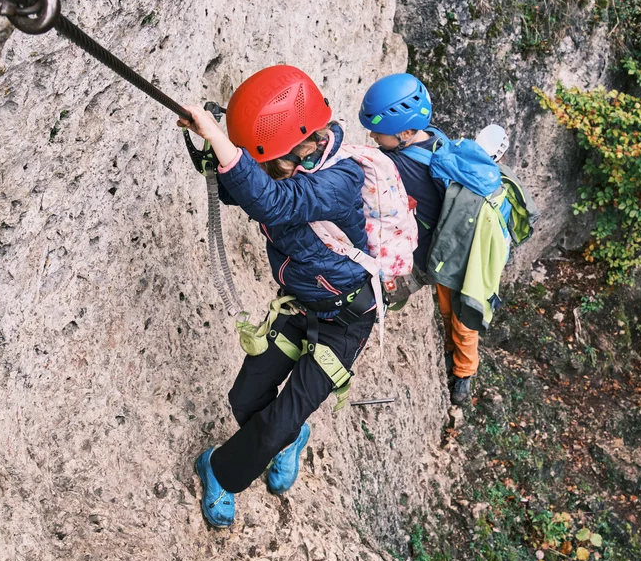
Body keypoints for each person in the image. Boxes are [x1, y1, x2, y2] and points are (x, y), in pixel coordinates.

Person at [182, 66, 377, 528]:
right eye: (264, 162)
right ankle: (289, 438)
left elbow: (274, 203)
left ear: (310, 143)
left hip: (346, 322)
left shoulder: (339, 178)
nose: (271, 171)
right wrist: (214, 147)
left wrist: (228, 148)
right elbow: (243, 193)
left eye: (275, 161)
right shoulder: (291, 164)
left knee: (276, 422)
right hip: (300, 305)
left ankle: (221, 472)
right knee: (245, 397)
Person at [358, 73, 477, 405]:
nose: (372, 136)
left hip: (444, 254)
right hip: (448, 246)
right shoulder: (435, 139)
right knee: (452, 310)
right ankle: (453, 353)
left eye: (378, 133)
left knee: (461, 315)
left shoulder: (399, 167)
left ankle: (464, 374)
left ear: (406, 133)